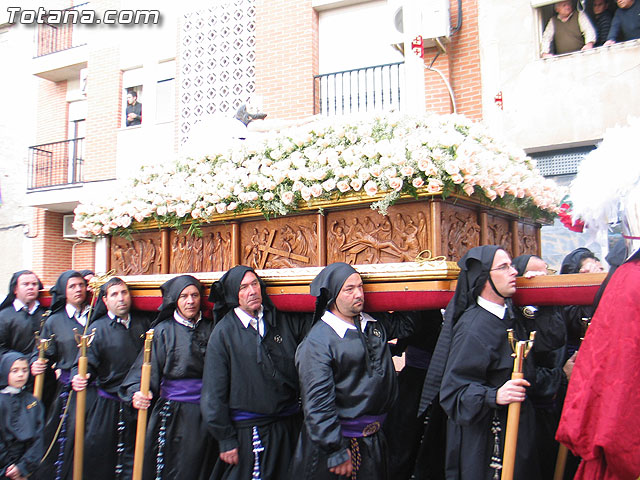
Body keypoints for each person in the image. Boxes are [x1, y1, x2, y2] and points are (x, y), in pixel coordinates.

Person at [420, 246, 539, 480]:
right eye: (504, 267)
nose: (513, 272)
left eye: (512, 265)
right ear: (484, 278)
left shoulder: (510, 315)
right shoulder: (472, 328)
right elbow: (453, 393)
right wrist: (493, 395)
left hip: (517, 431)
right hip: (485, 440)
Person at [291, 262, 414, 480]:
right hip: (340, 446)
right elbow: (318, 404)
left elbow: (408, 324)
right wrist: (335, 450)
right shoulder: (318, 342)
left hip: (374, 440)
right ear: (333, 295)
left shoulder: (375, 324)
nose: (359, 294)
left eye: (361, 286)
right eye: (349, 289)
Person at [202, 265, 313, 480]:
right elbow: (213, 392)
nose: (252, 291)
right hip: (249, 432)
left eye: (254, 284)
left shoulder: (282, 320)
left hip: (288, 427)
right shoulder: (224, 333)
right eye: (243, 287)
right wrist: (225, 438)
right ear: (234, 294)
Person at [121, 275, 217, 480]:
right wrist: (137, 392)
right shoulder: (162, 331)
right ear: (175, 300)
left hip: (209, 410)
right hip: (174, 414)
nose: (190, 301)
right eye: (184, 296)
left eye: (194, 295)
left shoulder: (212, 328)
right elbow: (143, 371)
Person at [70, 277, 151, 480]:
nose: (121, 298)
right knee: (103, 457)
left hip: (138, 402)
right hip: (108, 405)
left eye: (124, 293)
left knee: (138, 457)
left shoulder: (145, 324)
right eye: (114, 294)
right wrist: (78, 376)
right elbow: (82, 363)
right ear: (105, 300)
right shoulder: (96, 330)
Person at [31, 270, 95, 480]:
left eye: (80, 285)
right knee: (64, 440)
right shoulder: (55, 321)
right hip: (68, 392)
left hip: (96, 391)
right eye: (72, 286)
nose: (78, 289)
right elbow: (43, 353)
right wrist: (36, 363)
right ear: (63, 292)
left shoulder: (96, 315)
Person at [512, 255, 567, 480]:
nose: (543, 278)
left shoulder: (550, 306)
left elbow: (556, 340)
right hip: (527, 400)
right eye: (536, 273)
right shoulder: (513, 310)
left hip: (552, 399)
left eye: (546, 272)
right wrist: (560, 376)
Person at [0, 351, 44, 480]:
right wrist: (8, 467)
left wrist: (22, 468)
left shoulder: (33, 402)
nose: (20, 374)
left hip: (26, 469)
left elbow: (38, 437)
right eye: (15, 370)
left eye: (24, 370)